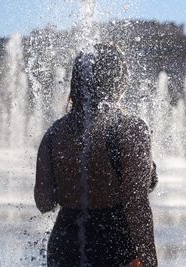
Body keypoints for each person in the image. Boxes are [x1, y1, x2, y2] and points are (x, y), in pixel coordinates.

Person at [34, 43, 158, 267]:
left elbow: (43, 202)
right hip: (114, 246)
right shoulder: (129, 128)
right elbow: (136, 204)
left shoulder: (54, 133)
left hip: (65, 244)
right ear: (119, 81)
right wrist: (151, 261)